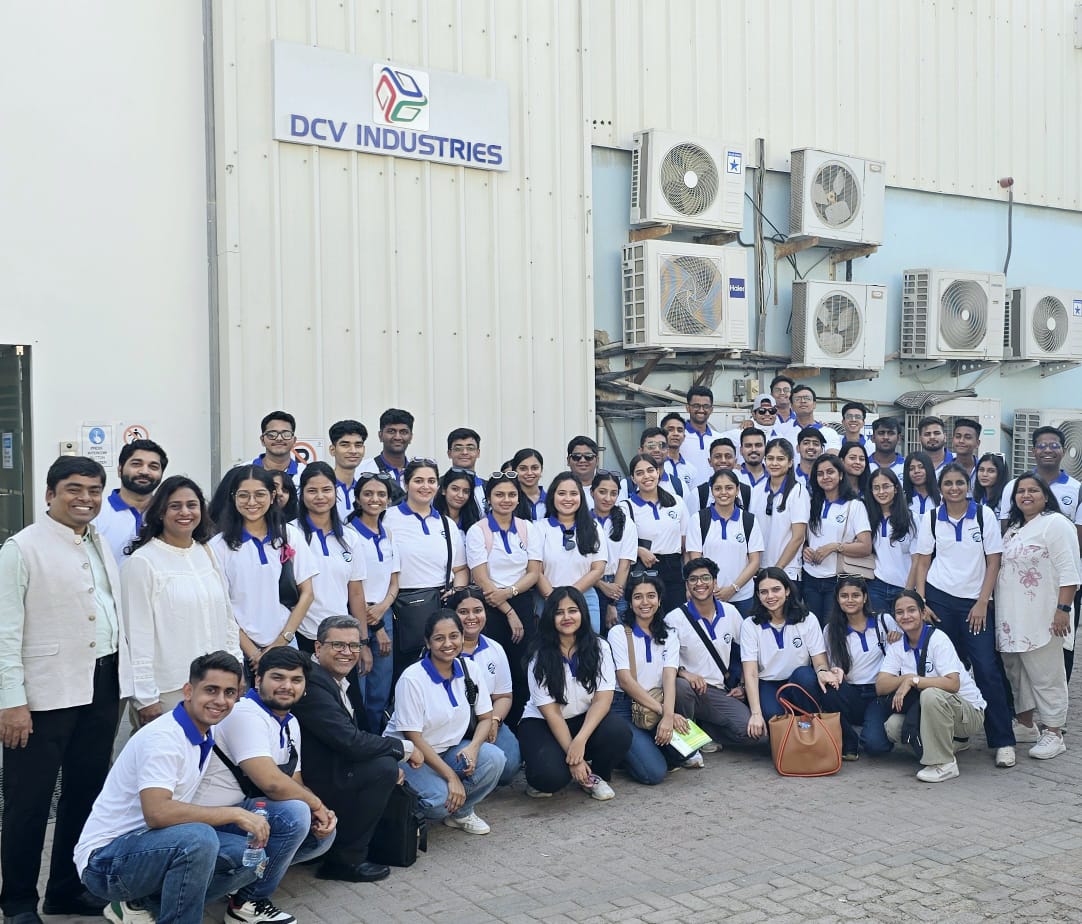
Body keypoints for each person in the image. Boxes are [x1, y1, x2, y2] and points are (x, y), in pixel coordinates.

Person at [0, 456, 134, 924]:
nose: (85, 498)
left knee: (85, 793)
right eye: (74, 489)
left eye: (94, 490)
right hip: (43, 695)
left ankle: (65, 889)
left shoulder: (98, 541)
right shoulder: (21, 549)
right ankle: (18, 901)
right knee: (29, 802)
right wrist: (11, 702)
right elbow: (4, 632)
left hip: (101, 684)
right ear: (50, 494)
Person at [75, 652, 268, 924]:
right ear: (188, 691)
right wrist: (235, 814)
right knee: (199, 839)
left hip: (153, 845)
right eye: (211, 690)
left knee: (251, 858)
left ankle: (142, 905)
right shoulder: (163, 738)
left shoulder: (205, 729)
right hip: (105, 862)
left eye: (229, 693)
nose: (220, 700)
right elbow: (157, 813)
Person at [194, 646, 336, 923]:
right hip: (209, 819)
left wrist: (323, 813)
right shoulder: (244, 714)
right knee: (296, 815)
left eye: (296, 680)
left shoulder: (290, 722)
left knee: (321, 833)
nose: (287, 686)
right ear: (258, 680)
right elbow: (270, 782)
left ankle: (237, 882)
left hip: (244, 812)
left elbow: (294, 782)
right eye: (277, 677)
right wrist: (315, 804)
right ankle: (247, 903)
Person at [912, 463, 1014, 767]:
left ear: (967, 486)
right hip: (939, 601)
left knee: (986, 668)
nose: (954, 488)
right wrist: (921, 601)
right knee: (946, 670)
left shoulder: (983, 515)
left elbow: (993, 562)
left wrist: (983, 602)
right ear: (940, 488)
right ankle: (956, 735)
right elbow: (922, 562)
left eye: (959, 483)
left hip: (974, 604)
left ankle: (1003, 740)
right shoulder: (932, 517)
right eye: (948, 483)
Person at [122, 476, 242, 730]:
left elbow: (227, 618)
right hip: (168, 689)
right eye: (175, 506)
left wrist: (236, 667)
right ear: (160, 512)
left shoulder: (206, 552)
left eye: (192, 505)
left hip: (216, 683)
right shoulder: (142, 562)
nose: (185, 512)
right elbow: (136, 635)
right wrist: (145, 698)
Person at [290, 616, 403, 882]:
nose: (348, 652)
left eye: (354, 646)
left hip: (331, 766)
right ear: (318, 647)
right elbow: (350, 742)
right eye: (338, 645)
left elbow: (353, 738)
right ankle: (345, 860)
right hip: (309, 781)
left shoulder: (332, 677)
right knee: (384, 769)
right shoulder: (312, 683)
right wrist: (401, 748)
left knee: (384, 766)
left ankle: (350, 844)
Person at [384, 610, 505, 834]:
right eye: (439, 638)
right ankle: (408, 814)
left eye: (454, 636)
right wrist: (451, 778)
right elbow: (413, 737)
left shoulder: (470, 669)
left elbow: (485, 717)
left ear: (462, 637)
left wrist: (474, 747)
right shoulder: (412, 679)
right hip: (412, 756)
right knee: (439, 800)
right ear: (427, 642)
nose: (448, 644)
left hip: (449, 749)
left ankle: (461, 812)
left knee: (495, 759)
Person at [517, 587, 632, 800]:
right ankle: (552, 772)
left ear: (583, 613)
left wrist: (579, 741)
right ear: (550, 617)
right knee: (550, 778)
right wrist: (575, 759)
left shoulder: (599, 646)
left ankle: (595, 776)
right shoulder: (539, 655)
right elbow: (551, 713)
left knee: (619, 732)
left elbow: (602, 700)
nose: (567, 617)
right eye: (559, 612)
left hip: (583, 719)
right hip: (544, 723)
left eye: (573, 610)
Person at [996, 474, 1078, 759]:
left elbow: (1070, 571)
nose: (1026, 495)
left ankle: (1054, 732)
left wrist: (1063, 610)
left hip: (1044, 616)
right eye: (1021, 491)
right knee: (1018, 675)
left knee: (1046, 675)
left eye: (1033, 490)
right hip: (1011, 618)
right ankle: (1026, 724)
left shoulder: (1056, 524)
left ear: (1045, 496)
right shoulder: (1014, 528)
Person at [209, 465, 317, 678]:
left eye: (259, 494)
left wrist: (281, 641)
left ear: (272, 496)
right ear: (233, 497)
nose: (252, 502)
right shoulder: (219, 546)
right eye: (243, 495)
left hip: (284, 644)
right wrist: (253, 653)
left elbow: (307, 593)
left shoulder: (289, 535)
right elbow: (221, 606)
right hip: (237, 648)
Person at [876, 591, 987, 783]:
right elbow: (881, 686)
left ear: (923, 613)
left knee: (930, 694)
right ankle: (952, 744)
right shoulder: (897, 645)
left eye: (912, 610)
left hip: (968, 713)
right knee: (893, 726)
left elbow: (952, 683)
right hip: (935, 712)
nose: (906, 616)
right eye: (900, 612)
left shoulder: (938, 639)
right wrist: (907, 678)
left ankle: (944, 763)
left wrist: (914, 681)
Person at [384, 459, 469, 684]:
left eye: (431, 481)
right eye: (418, 480)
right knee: (404, 675)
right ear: (406, 484)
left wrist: (457, 590)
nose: (425, 486)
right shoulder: (388, 519)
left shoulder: (446, 523)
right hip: (401, 609)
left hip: (440, 606)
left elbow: (460, 568)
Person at [465, 472, 540, 725]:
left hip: (521, 600)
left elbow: (534, 572)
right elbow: (480, 577)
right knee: (493, 669)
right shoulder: (478, 531)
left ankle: (522, 727)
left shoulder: (527, 528)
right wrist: (508, 611)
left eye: (511, 494)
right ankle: (491, 723)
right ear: (489, 498)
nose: (505, 500)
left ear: (518, 498)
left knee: (522, 669)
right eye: (499, 494)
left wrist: (509, 593)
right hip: (490, 606)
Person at [607, 574, 694, 783]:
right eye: (638, 597)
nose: (645, 602)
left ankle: (647, 745)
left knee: (688, 751)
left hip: (656, 703)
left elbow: (669, 676)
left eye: (651, 596)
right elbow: (625, 680)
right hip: (625, 707)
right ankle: (624, 754)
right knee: (653, 773)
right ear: (630, 602)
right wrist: (665, 713)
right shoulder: (619, 632)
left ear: (660, 600)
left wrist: (669, 716)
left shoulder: (669, 634)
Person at [668, 558, 757, 749]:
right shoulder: (674, 619)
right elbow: (663, 662)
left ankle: (706, 731)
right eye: (693, 579)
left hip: (718, 691)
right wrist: (684, 673)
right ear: (687, 585)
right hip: (690, 689)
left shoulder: (731, 613)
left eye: (705, 578)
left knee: (754, 734)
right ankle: (688, 742)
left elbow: (748, 654)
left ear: (715, 582)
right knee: (680, 686)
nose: (699, 583)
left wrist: (742, 685)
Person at [741, 568, 839, 740]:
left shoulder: (807, 619)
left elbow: (819, 662)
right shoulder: (750, 625)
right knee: (774, 720)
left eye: (776, 589)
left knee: (805, 676)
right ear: (757, 595)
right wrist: (756, 713)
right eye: (764, 592)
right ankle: (795, 741)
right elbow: (751, 672)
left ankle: (813, 730)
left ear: (787, 590)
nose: (770, 596)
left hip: (798, 682)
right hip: (769, 684)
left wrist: (823, 672)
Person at [296, 462, 371, 658]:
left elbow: (356, 593)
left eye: (326, 490)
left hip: (341, 637)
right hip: (301, 634)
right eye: (312, 491)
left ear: (336, 492)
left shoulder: (350, 537)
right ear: (302, 494)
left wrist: (362, 641)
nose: (320, 496)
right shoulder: (290, 533)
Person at [452, 587, 522, 784]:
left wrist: (495, 720)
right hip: (452, 726)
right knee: (466, 762)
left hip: (486, 718)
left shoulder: (495, 648)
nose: (471, 617)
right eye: (463, 612)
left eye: (478, 610)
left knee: (509, 765)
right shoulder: (445, 650)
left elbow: (504, 696)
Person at [822, 576, 896, 760]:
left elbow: (903, 652)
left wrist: (898, 639)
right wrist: (835, 672)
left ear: (865, 598)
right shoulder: (831, 630)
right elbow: (832, 666)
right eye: (844, 596)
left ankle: (877, 727)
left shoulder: (883, 621)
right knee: (827, 691)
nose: (850, 600)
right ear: (837, 599)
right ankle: (849, 738)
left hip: (878, 694)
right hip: (851, 692)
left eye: (855, 595)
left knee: (875, 746)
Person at [347, 472, 400, 732]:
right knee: (361, 684)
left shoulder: (388, 532)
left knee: (381, 688)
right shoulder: (348, 534)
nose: (374, 499)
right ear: (357, 499)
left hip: (384, 613)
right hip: (357, 617)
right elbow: (352, 588)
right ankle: (360, 740)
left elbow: (394, 581)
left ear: (388, 500)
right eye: (367, 494)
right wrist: (373, 626)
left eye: (381, 494)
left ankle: (378, 740)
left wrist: (382, 609)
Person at [802, 454, 872, 624]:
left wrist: (834, 547)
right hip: (810, 576)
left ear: (840, 475)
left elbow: (865, 546)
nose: (825, 477)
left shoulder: (854, 505)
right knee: (812, 628)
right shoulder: (811, 503)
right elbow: (803, 537)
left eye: (830, 472)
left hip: (838, 578)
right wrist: (805, 549)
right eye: (820, 474)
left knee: (832, 628)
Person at [532, 472, 606, 631]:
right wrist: (555, 599)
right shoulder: (538, 528)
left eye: (573, 494)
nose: (568, 498)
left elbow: (598, 569)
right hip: (547, 597)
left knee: (589, 643)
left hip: (585, 597)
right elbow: (536, 570)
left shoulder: (593, 527)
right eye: (561, 493)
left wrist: (571, 596)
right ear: (552, 496)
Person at [685, 469, 763, 617]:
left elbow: (755, 562)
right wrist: (711, 587)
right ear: (712, 491)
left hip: (743, 596)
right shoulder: (698, 519)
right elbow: (696, 561)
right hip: (709, 595)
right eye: (718, 488)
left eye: (729, 488)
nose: (723, 493)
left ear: (737, 490)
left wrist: (733, 588)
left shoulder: (749, 520)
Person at [622, 453, 690, 614]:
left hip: (674, 571)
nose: (646, 476)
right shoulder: (625, 507)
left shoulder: (677, 502)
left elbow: (686, 546)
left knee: (675, 619)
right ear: (633, 479)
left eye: (650, 470)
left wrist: (688, 582)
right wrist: (638, 550)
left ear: (658, 472)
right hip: (644, 571)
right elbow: (619, 547)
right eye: (640, 473)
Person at [93, 439, 168, 562]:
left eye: (153, 467)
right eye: (136, 464)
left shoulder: (167, 514)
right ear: (120, 470)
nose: (144, 471)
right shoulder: (96, 514)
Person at [756, 438, 810, 582]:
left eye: (780, 459)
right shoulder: (757, 490)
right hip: (760, 571)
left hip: (787, 572)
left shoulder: (798, 492)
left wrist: (777, 570)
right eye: (770, 458)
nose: (774, 463)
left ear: (790, 462)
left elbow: (798, 537)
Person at [866, 468, 918, 614]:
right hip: (875, 585)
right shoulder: (867, 516)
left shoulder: (911, 518)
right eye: (876, 488)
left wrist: (908, 591)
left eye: (886, 486)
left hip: (903, 586)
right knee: (880, 626)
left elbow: (917, 559)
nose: (881, 492)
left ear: (895, 489)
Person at [592, 470, 638, 630]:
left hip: (617, 586)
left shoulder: (626, 523)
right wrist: (600, 584)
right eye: (602, 492)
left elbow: (624, 566)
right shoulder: (582, 521)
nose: (607, 498)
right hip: (588, 584)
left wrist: (613, 602)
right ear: (592, 492)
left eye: (613, 493)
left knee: (617, 634)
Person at [357, 408, 415, 503]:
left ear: (411, 437)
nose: (397, 437)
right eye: (391, 431)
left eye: (403, 432)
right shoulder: (361, 470)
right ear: (380, 435)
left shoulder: (418, 473)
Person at [327, 419, 368, 521]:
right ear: (332, 450)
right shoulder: (322, 489)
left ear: (364, 449)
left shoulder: (365, 491)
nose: (353, 451)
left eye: (358, 445)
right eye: (345, 445)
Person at [659, 413, 700, 511]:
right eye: (670, 429)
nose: (676, 433)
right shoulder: (656, 466)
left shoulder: (691, 469)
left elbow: (693, 501)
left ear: (684, 436)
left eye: (680, 430)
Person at [694, 438, 748, 510]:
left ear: (735, 462)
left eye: (728, 456)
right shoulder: (698, 493)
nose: (723, 460)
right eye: (717, 456)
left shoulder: (746, 491)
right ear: (710, 461)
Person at [253, 411, 304, 486]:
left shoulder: (305, 473)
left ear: (294, 440)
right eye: (272, 434)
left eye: (286, 434)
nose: (279, 438)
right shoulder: (243, 471)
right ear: (262, 440)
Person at [789, 384, 842, 453]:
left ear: (814, 404)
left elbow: (833, 456)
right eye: (797, 399)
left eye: (807, 398)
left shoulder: (829, 433)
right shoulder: (783, 430)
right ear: (791, 406)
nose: (803, 401)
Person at [683, 385, 719, 483]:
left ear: (711, 409)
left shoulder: (719, 439)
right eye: (696, 406)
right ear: (687, 408)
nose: (701, 410)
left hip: (713, 491)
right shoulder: (678, 438)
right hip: (685, 492)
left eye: (706, 406)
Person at [433, 466, 483, 535]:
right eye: (455, 489)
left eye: (466, 491)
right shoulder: (432, 519)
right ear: (443, 490)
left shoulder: (474, 523)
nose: (460, 495)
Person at [446, 427, 485, 509]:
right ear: (449, 453)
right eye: (458, 449)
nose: (464, 452)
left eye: (470, 448)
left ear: (478, 453)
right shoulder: (438, 485)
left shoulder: (487, 488)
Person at [903, 450, 942, 520]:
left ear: (929, 469)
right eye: (911, 469)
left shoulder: (941, 497)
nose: (916, 471)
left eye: (921, 467)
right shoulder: (902, 499)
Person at [511, 447, 546, 520]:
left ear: (541, 470)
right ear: (514, 471)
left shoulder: (552, 500)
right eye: (523, 469)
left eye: (534, 468)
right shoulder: (509, 501)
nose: (529, 473)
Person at [567, 436, 601, 508]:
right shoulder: (559, 491)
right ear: (568, 460)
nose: (582, 460)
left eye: (588, 456)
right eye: (576, 456)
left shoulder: (609, 491)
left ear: (597, 460)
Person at [950, 417, 981, 485]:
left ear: (977, 443)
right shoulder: (943, 469)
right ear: (952, 440)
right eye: (958, 436)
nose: (961, 441)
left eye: (968, 437)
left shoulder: (982, 470)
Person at [769, 375, 799, 445]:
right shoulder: (763, 418)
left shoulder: (800, 418)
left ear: (792, 394)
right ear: (771, 394)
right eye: (778, 390)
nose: (782, 393)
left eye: (786, 390)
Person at [737, 427, 769, 492]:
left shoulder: (774, 476)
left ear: (765, 449)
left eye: (758, 445)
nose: (753, 450)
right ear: (741, 450)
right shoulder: (733, 476)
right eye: (748, 446)